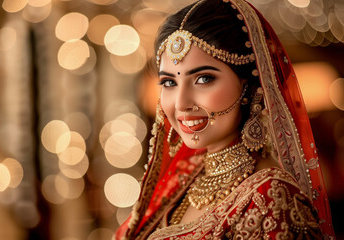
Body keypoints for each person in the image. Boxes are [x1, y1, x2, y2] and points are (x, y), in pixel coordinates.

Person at [114, 0, 336, 239]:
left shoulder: (269, 197)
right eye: (169, 82)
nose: (180, 104)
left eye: (203, 79)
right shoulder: (184, 178)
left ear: (249, 84)